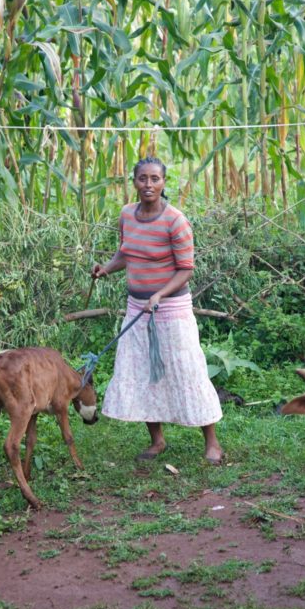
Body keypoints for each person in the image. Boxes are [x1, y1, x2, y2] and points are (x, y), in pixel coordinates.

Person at [91, 157, 224, 465]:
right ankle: (157, 440)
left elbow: (186, 269)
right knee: (141, 372)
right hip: (137, 307)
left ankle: (212, 442)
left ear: (164, 183)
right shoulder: (127, 215)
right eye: (142, 179)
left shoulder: (176, 220)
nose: (148, 184)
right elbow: (127, 252)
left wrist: (160, 294)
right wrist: (106, 269)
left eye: (154, 179)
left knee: (187, 370)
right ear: (134, 181)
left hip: (172, 310)